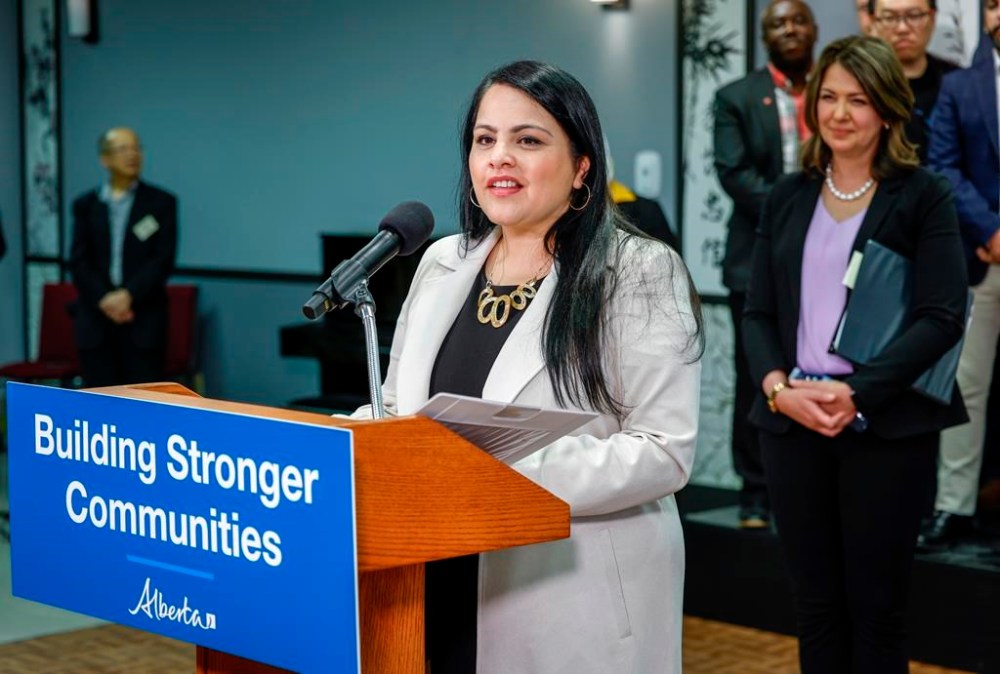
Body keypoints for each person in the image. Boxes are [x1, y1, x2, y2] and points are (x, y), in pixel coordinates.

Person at [354, 61, 703, 673]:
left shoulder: (638, 270)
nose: (499, 158)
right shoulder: (441, 263)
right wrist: (343, 441)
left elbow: (663, 450)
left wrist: (491, 477)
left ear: (582, 167)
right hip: (428, 580)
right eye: (485, 140)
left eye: (528, 140)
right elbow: (396, 414)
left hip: (570, 592)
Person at [743, 36, 968, 673]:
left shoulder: (924, 195)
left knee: (878, 610)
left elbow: (942, 315)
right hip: (792, 423)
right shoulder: (788, 196)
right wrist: (778, 389)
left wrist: (858, 391)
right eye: (829, 98)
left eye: (859, 100)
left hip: (884, 426)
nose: (840, 113)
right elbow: (757, 312)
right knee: (815, 607)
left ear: (888, 111)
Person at [713, 0, 817, 528]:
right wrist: (804, 209)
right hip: (755, 256)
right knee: (757, 372)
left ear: (814, 28)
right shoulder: (735, 97)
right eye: (778, 23)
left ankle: (805, 486)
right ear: (765, 36)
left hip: (829, 257)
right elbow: (734, 174)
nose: (790, 29)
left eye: (798, 19)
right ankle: (755, 491)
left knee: (816, 367)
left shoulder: (834, 92)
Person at [923, 3, 1000, 550]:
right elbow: (944, 165)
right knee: (967, 384)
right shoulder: (959, 87)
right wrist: (993, 231)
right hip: (986, 255)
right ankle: (955, 506)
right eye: (993, 3)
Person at [69, 127, 177, 387]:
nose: (132, 155)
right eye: (123, 149)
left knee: (143, 406)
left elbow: (162, 259)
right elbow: (79, 260)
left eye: (137, 148)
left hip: (143, 319)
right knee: (99, 403)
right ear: (104, 159)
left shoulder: (161, 203)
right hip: (97, 318)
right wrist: (106, 299)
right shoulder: (86, 205)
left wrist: (127, 296)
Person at [869, 0, 958, 161]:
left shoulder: (959, 82)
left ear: (932, 17)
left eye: (914, 16)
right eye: (890, 18)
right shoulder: (862, 85)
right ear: (873, 22)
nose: (902, 28)